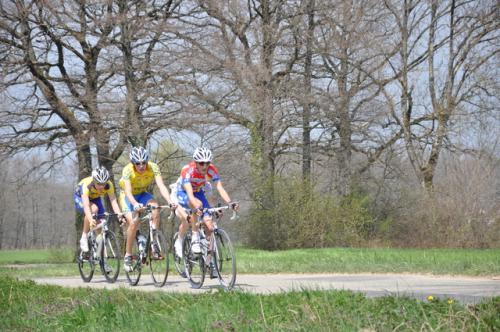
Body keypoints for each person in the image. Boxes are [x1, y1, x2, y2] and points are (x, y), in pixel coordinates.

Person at [173, 147, 238, 277]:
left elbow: (219, 187)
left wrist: (230, 202)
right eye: (201, 163)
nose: (205, 166)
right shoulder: (187, 170)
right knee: (197, 205)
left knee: (210, 224)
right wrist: (197, 207)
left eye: (207, 162)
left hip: (198, 192)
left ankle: (209, 262)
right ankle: (195, 236)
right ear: (195, 162)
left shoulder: (211, 170)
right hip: (183, 193)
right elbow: (190, 196)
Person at [119, 146, 178, 272]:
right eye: (138, 163)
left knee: (155, 207)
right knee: (134, 223)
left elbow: (161, 186)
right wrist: (134, 204)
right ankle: (128, 255)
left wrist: (170, 201)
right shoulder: (127, 170)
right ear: (133, 163)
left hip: (142, 194)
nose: (141, 166)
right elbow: (128, 192)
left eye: (144, 163)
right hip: (127, 196)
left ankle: (154, 242)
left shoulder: (153, 167)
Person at [74, 166, 123, 254]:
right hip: (81, 198)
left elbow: (113, 201)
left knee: (101, 230)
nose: (101, 186)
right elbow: (86, 205)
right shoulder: (87, 185)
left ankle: (101, 260)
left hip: (95, 198)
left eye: (103, 183)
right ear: (94, 181)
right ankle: (84, 237)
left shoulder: (109, 185)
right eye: (99, 184)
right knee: (94, 209)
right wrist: (90, 219)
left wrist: (119, 214)